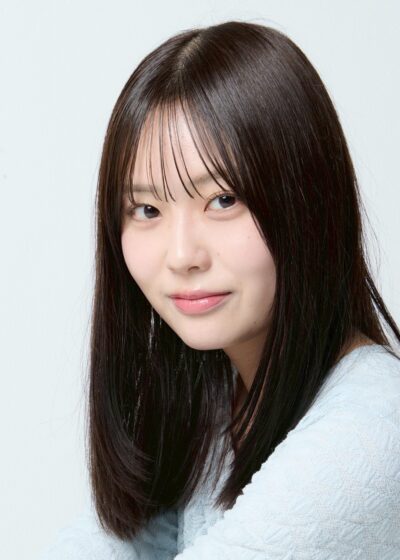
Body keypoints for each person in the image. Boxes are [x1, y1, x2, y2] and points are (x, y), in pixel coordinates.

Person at [40, 20, 400, 559]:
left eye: (223, 200)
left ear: (309, 201)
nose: (182, 255)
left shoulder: (372, 430)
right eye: (147, 209)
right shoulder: (212, 398)